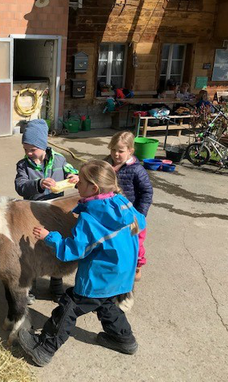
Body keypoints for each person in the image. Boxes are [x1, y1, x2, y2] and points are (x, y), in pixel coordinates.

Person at [17, 160, 146, 367]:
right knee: (106, 305)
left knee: (70, 306)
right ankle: (124, 339)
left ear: (94, 188)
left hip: (99, 276)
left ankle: (45, 348)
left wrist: (50, 236)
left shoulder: (91, 218)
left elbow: (72, 251)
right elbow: (141, 223)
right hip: (121, 274)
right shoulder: (123, 202)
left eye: (80, 182)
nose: (76, 186)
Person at [15, 119, 79, 303]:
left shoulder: (60, 159)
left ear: (43, 145)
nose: (28, 153)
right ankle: (31, 285)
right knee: (33, 247)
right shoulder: (23, 165)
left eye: (32, 149)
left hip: (56, 214)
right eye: (25, 149)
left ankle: (56, 283)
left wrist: (75, 177)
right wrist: (38, 184)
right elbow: (20, 186)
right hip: (33, 214)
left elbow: (72, 172)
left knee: (55, 245)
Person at [106, 131, 153, 281]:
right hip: (112, 213)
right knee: (115, 240)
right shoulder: (106, 164)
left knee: (136, 241)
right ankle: (117, 265)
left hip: (132, 215)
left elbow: (147, 192)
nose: (116, 154)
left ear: (130, 151)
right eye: (113, 150)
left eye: (121, 151)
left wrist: (140, 214)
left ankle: (137, 265)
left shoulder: (136, 170)